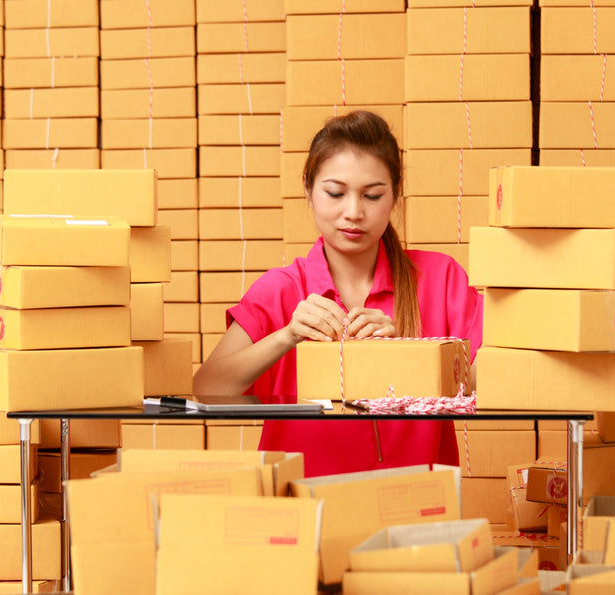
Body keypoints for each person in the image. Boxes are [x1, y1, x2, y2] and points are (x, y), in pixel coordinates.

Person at [193, 109, 483, 477]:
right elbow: (207, 390)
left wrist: (408, 357)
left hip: (414, 507)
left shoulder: (440, 277)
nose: (353, 212)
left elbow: (492, 381)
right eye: (335, 193)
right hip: (303, 509)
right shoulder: (282, 288)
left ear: (394, 196)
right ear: (309, 193)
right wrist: (287, 336)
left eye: (372, 195)